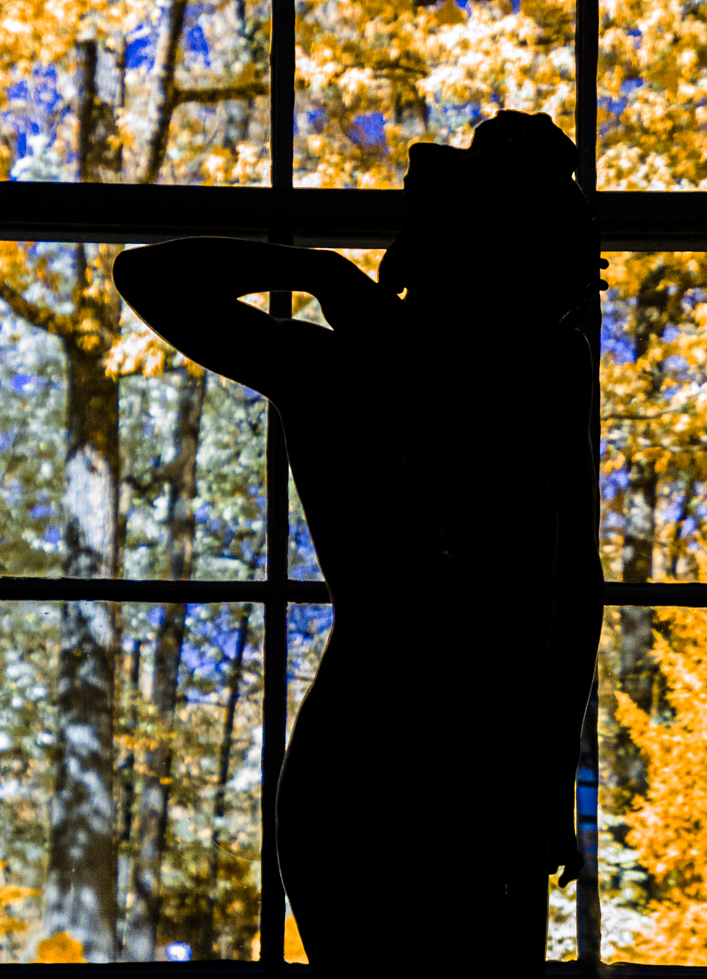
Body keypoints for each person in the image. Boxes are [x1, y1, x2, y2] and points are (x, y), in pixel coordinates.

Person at [112, 110, 606, 977]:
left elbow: (575, 592)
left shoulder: (537, 378)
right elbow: (147, 274)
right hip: (386, 756)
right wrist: (318, 269)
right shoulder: (353, 371)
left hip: (455, 760)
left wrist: (550, 781)